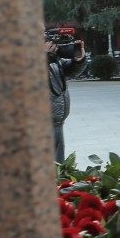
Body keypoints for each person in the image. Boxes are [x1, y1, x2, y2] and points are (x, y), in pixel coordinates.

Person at [47, 32, 87, 163]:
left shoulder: (54, 60)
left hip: (57, 123)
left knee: (57, 169)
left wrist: (79, 61)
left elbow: (72, 72)